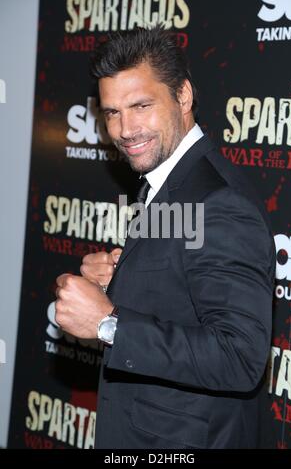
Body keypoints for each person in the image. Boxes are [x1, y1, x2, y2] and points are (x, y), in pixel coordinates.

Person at [55, 26, 276, 449]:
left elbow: (239, 356)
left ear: (184, 96)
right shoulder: (167, 178)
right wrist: (119, 279)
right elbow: (182, 282)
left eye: (141, 105)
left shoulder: (220, 202)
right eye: (112, 112)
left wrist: (107, 323)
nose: (125, 129)